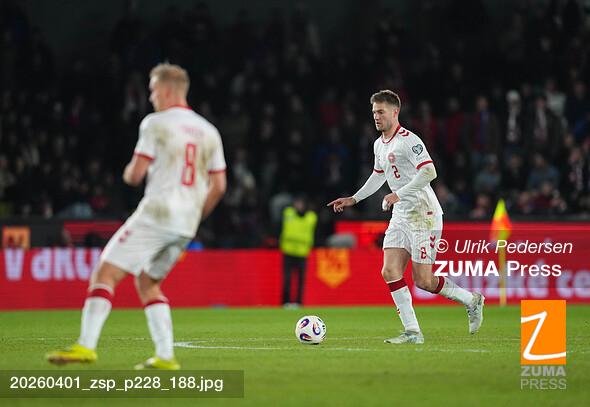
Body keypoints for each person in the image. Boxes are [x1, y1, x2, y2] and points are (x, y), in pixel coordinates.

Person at [46, 63, 227, 369]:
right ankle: (165, 357)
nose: (151, 96)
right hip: (186, 223)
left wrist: (128, 171)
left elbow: (135, 175)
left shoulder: (155, 123)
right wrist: (196, 217)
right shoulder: (209, 131)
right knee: (148, 282)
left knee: (105, 273)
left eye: (153, 90)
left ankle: (86, 346)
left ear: (167, 91)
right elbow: (219, 186)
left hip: (157, 213)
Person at [327, 90, 484, 344]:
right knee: (389, 270)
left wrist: (398, 194)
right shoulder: (379, 144)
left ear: (395, 112)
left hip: (424, 214)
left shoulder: (409, 140)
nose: (376, 117)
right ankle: (413, 332)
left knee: (423, 280)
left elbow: (429, 172)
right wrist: (354, 199)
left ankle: (471, 300)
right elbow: (378, 175)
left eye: (381, 112)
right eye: (374, 112)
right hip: (401, 214)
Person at [279, 196, 317, 307]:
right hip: (288, 251)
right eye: (297, 203)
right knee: (287, 279)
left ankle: (299, 302)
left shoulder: (311, 217)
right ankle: (285, 302)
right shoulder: (288, 213)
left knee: (301, 280)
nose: (298, 206)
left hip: (302, 252)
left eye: (300, 203)